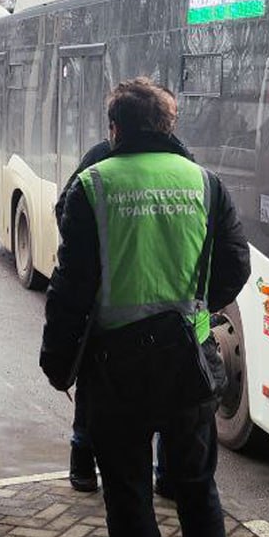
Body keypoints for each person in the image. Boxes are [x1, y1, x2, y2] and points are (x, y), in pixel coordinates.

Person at [41, 77, 250, 537]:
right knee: (196, 486)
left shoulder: (93, 185)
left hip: (116, 369)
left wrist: (58, 363)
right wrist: (194, 307)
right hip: (189, 361)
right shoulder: (204, 183)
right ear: (169, 126)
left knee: (128, 494)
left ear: (114, 130)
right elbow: (234, 267)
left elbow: (71, 289)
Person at [58, 87, 179, 497]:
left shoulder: (172, 162)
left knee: (100, 392)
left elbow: (65, 217)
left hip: (122, 307)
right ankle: (86, 462)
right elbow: (67, 212)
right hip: (155, 309)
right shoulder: (179, 163)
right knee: (153, 398)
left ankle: (138, 471)